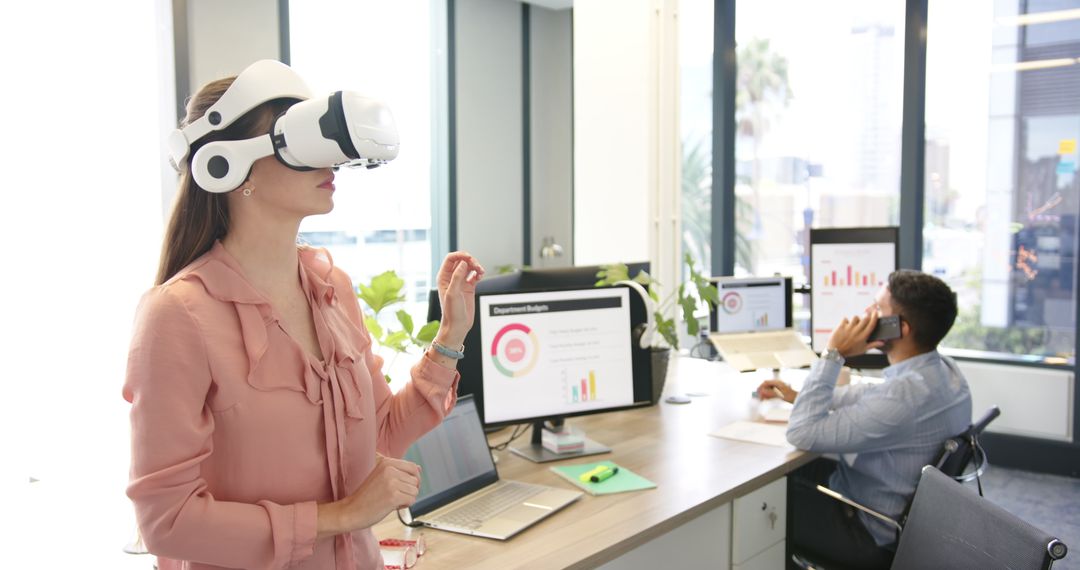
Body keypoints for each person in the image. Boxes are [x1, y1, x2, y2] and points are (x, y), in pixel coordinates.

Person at [123, 69, 485, 569]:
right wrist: (341, 515)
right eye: (299, 141)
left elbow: (379, 433)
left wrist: (450, 336)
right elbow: (166, 521)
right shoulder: (178, 315)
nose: (330, 159)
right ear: (232, 167)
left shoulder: (331, 289)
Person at [756, 270, 971, 570]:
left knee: (759, 501)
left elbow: (801, 432)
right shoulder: (943, 372)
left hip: (865, 530)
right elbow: (869, 397)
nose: (867, 314)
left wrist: (833, 354)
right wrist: (800, 395)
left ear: (900, 328)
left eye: (877, 308)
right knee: (782, 473)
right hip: (897, 513)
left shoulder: (903, 398)